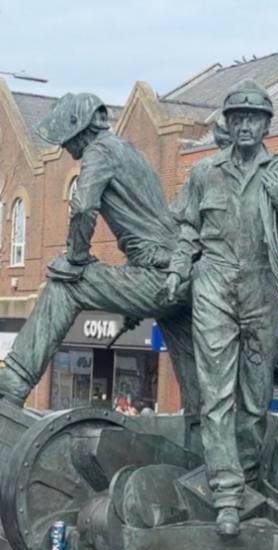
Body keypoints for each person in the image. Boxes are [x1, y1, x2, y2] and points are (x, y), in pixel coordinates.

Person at [166, 79, 278, 536]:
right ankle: (227, 493)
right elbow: (187, 230)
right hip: (212, 282)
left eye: (254, 118)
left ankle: (249, 477)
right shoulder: (204, 173)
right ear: (228, 124)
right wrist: (177, 270)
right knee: (216, 395)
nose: (246, 125)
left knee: (255, 397)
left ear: (266, 123)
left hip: (259, 284)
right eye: (238, 118)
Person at [0, 92, 198, 422]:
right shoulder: (127, 151)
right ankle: (202, 434)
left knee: (65, 287)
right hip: (178, 280)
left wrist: (76, 259)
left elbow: (83, 208)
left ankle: (13, 382)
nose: (66, 149)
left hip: (159, 276)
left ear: (80, 129)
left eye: (66, 140)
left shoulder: (100, 151)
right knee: (200, 404)